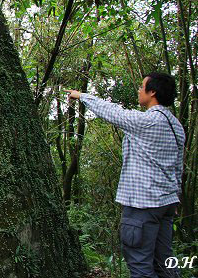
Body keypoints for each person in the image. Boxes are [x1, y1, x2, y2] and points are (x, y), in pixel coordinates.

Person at [67, 72, 184, 278]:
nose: (139, 90)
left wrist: (82, 96)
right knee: (165, 263)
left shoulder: (147, 121)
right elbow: (177, 166)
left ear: (152, 92)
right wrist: (176, 197)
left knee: (140, 266)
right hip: (166, 204)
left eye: (141, 87)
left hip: (143, 206)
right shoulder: (176, 126)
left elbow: (113, 112)